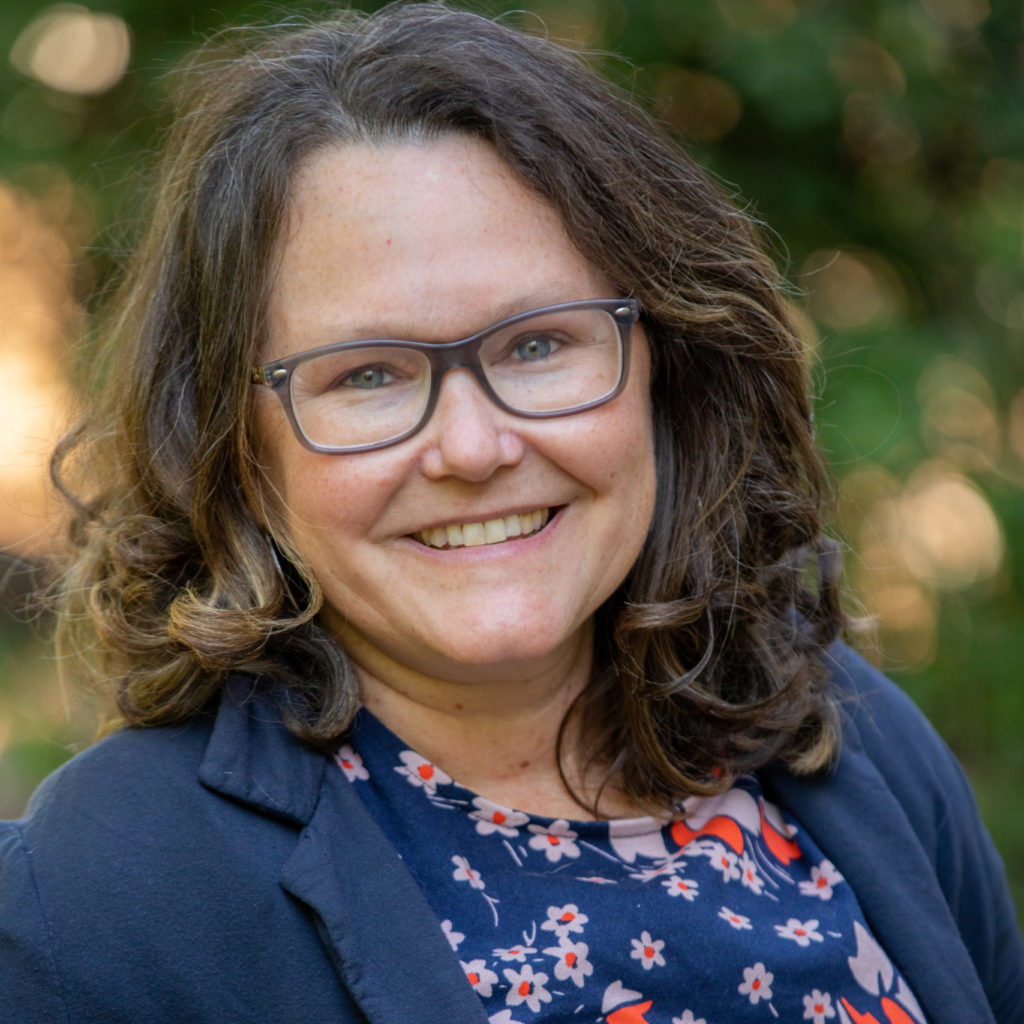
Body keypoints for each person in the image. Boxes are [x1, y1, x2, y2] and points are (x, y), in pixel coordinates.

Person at [1, 4, 1021, 1022]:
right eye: (367, 375)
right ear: (238, 450)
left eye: (536, 345)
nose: (474, 448)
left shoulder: (839, 731)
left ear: (665, 370)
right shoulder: (99, 894)